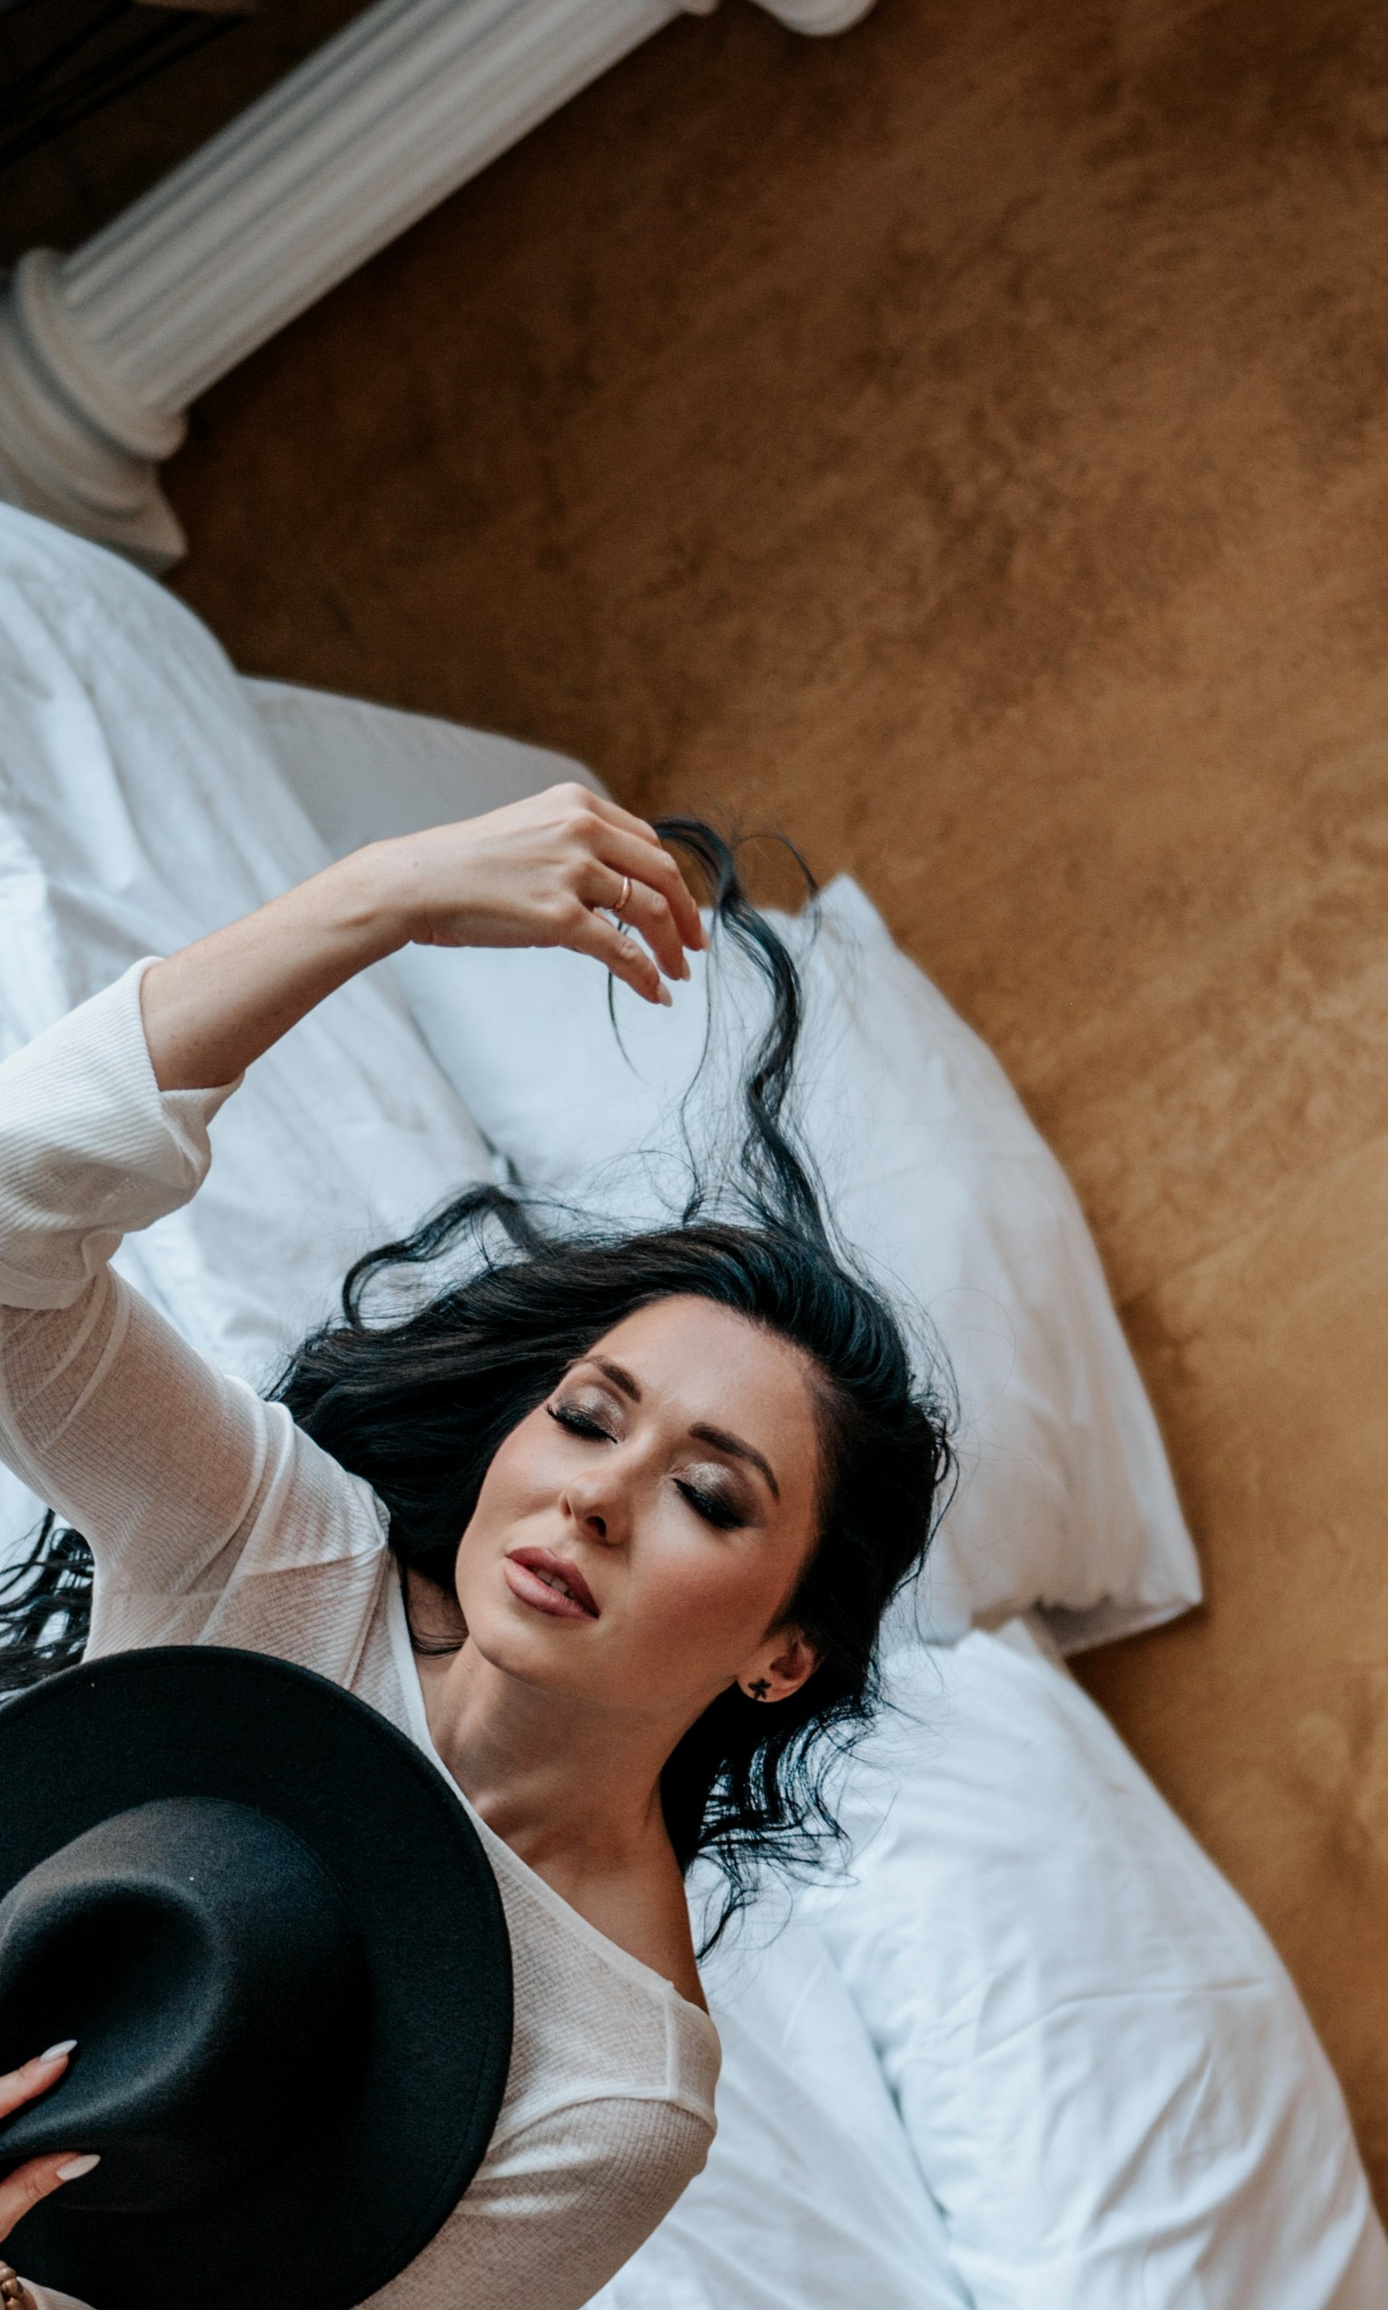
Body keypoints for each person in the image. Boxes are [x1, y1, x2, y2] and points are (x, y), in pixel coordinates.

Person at [0, 787, 950, 2310]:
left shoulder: (614, 2094)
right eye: (587, 1416)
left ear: (784, 1654)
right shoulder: (279, 1553)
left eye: (711, 1496)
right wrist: (379, 896)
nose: (596, 1497)